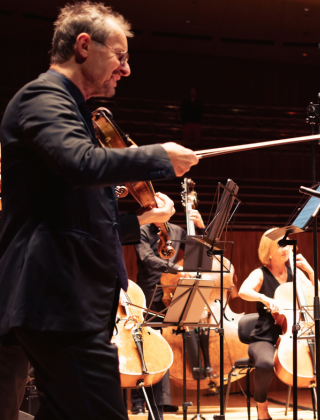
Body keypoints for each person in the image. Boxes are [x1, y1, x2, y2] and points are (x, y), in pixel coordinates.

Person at [0, 2, 198, 418]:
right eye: (120, 56)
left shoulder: (73, 112)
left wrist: (139, 217)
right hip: (57, 302)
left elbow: (85, 218)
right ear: (84, 45)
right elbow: (81, 163)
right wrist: (156, 155)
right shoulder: (43, 97)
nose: (126, 70)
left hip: (69, 303)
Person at [238, 229, 320, 420]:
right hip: (265, 336)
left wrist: (310, 271)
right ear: (268, 250)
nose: (287, 248)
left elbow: (319, 296)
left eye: (288, 244)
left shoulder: (296, 273)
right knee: (266, 364)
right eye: (281, 245)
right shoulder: (260, 273)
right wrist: (264, 298)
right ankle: (262, 407)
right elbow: (243, 290)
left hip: (295, 334)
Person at [128, 211, 205, 418]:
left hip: (172, 293)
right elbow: (147, 259)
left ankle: (158, 405)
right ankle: (139, 399)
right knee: (146, 345)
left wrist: (200, 229)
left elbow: (198, 256)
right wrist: (175, 268)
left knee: (161, 346)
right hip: (148, 293)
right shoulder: (142, 230)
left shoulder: (177, 231)